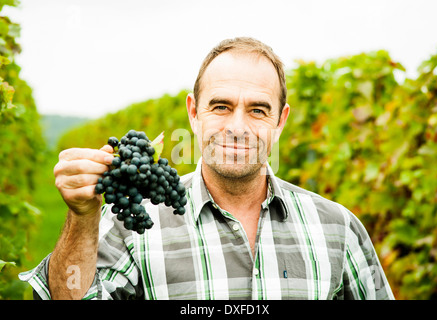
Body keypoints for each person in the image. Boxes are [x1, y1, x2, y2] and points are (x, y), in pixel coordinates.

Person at [19, 37, 394, 300]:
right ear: (193, 113)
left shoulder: (338, 229)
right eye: (221, 106)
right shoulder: (134, 225)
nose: (237, 127)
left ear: (280, 122)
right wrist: (82, 218)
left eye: (258, 110)